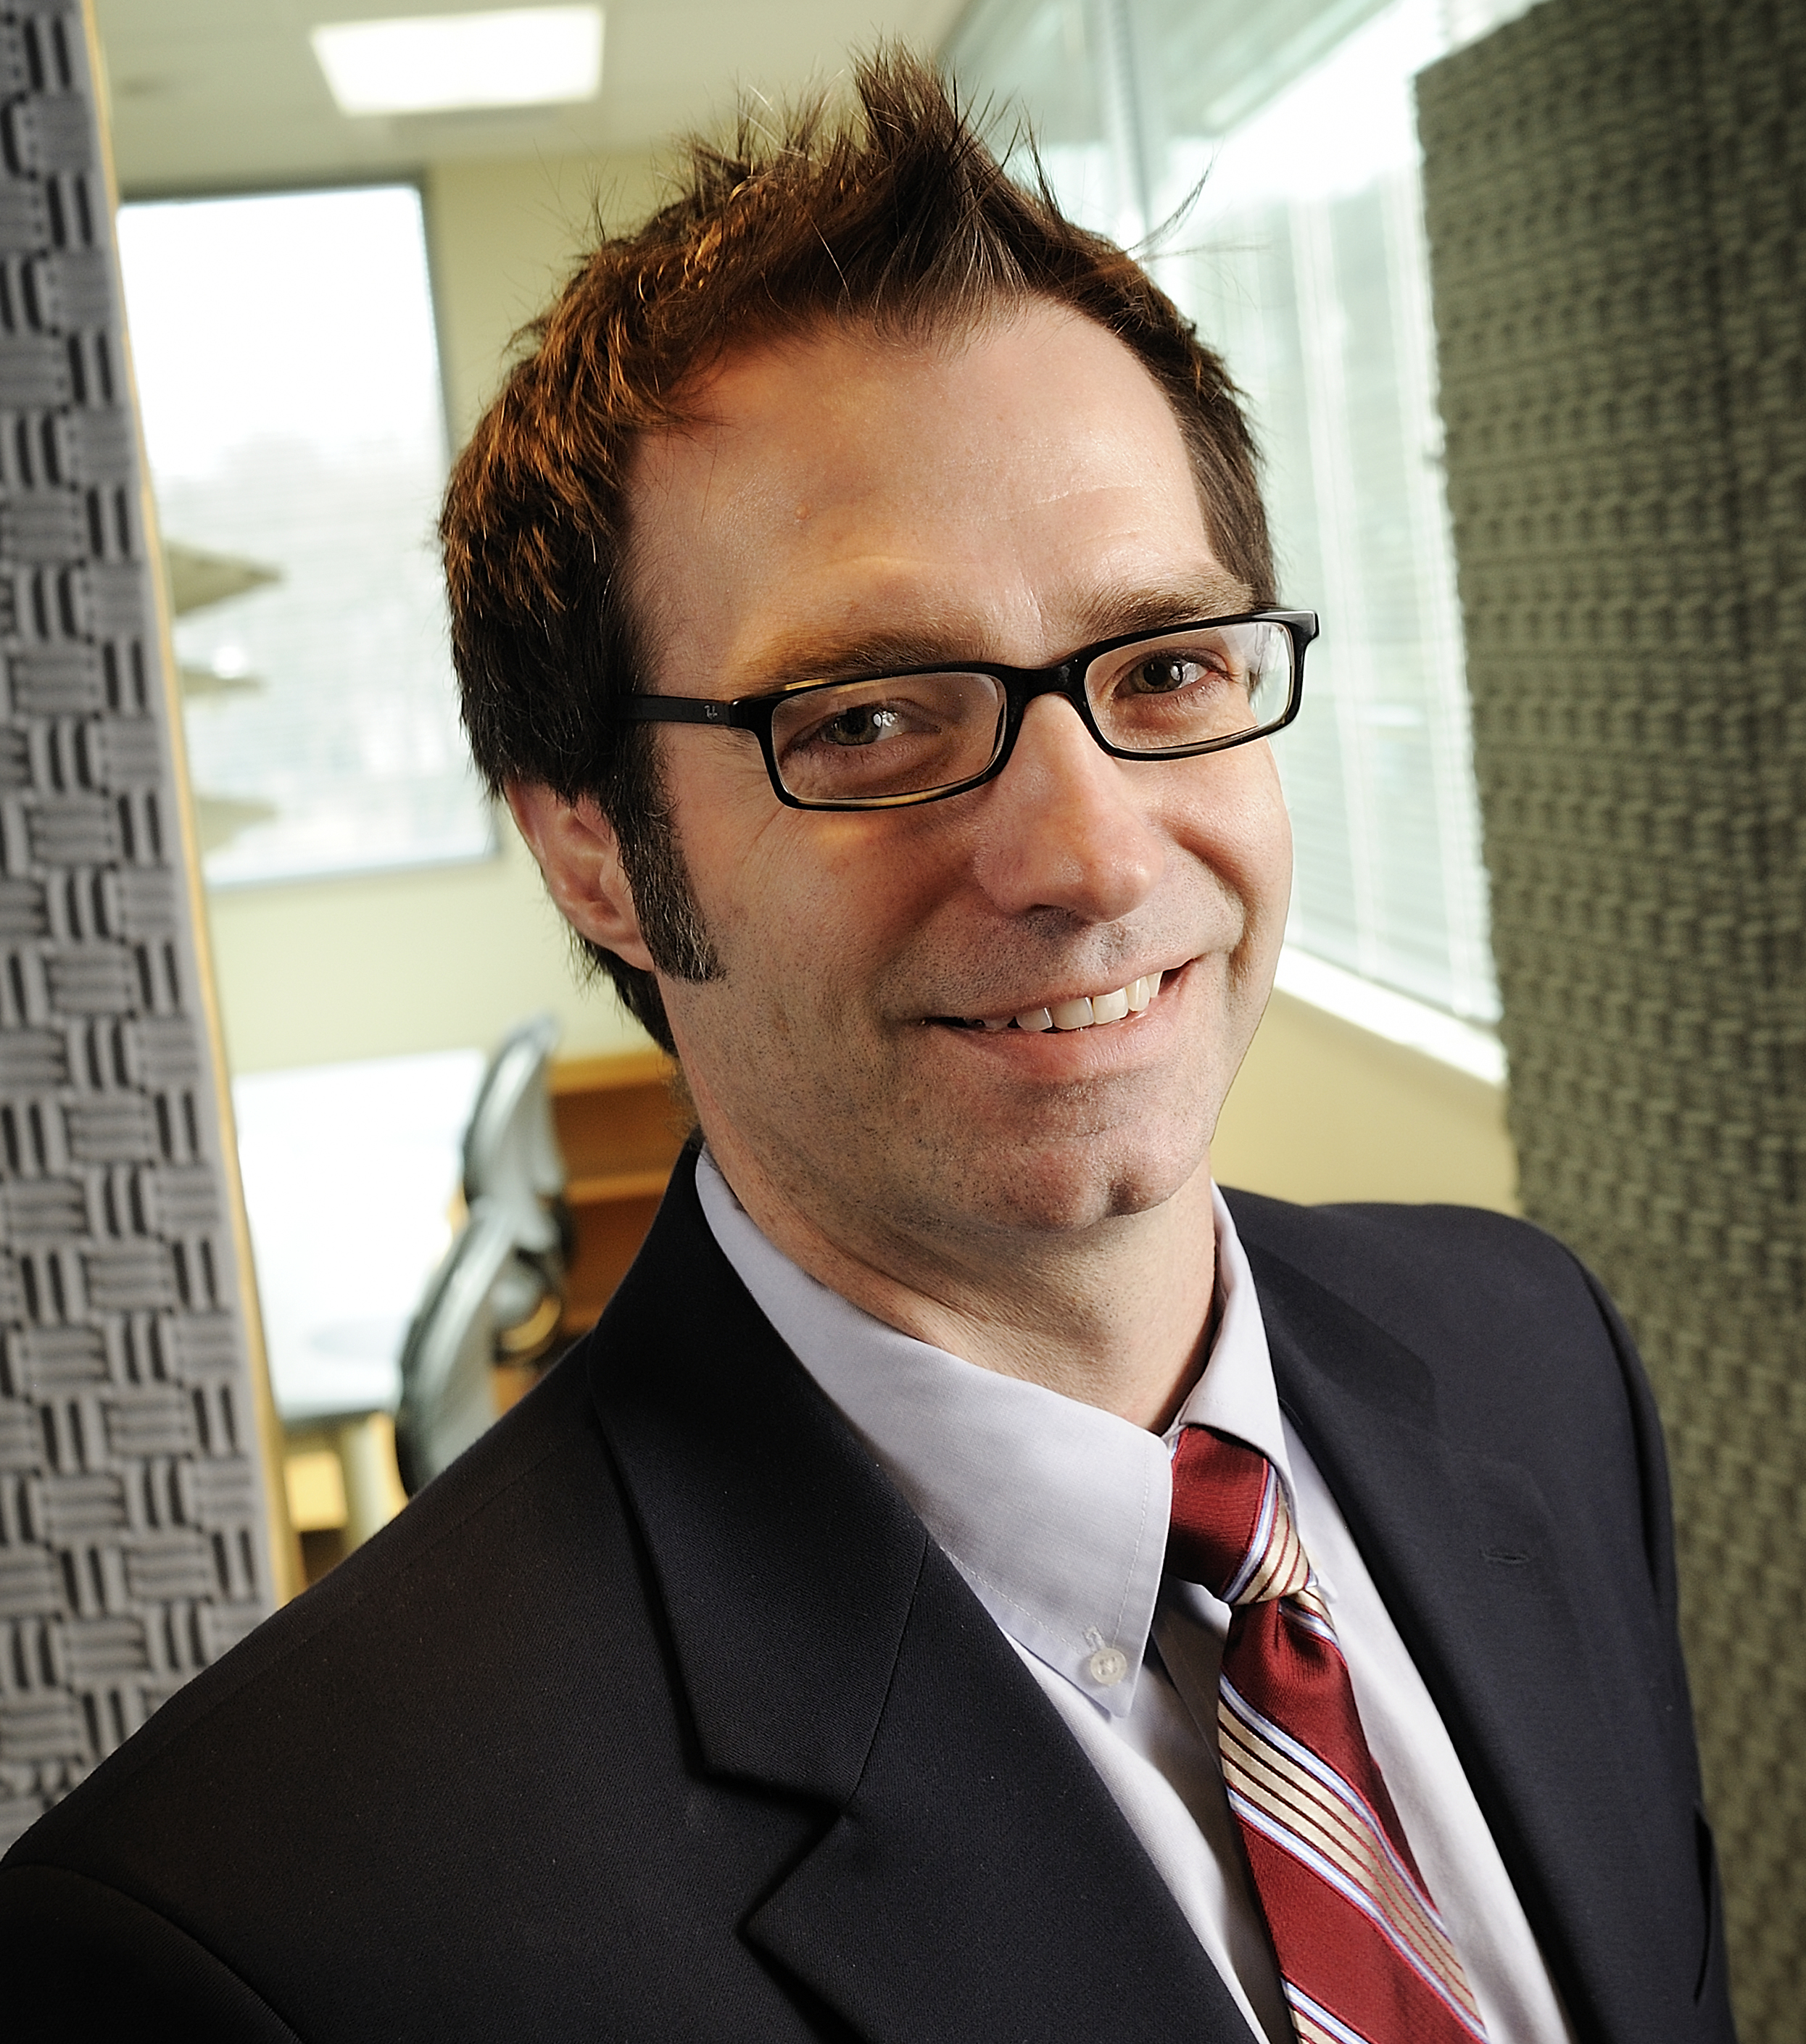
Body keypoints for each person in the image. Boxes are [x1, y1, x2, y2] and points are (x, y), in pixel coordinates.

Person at [0, 51, 1733, 2044]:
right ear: (595, 859)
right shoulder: (254, 1938)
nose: (1086, 852)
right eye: (867, 720)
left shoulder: (1538, 1360)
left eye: (1162, 667)